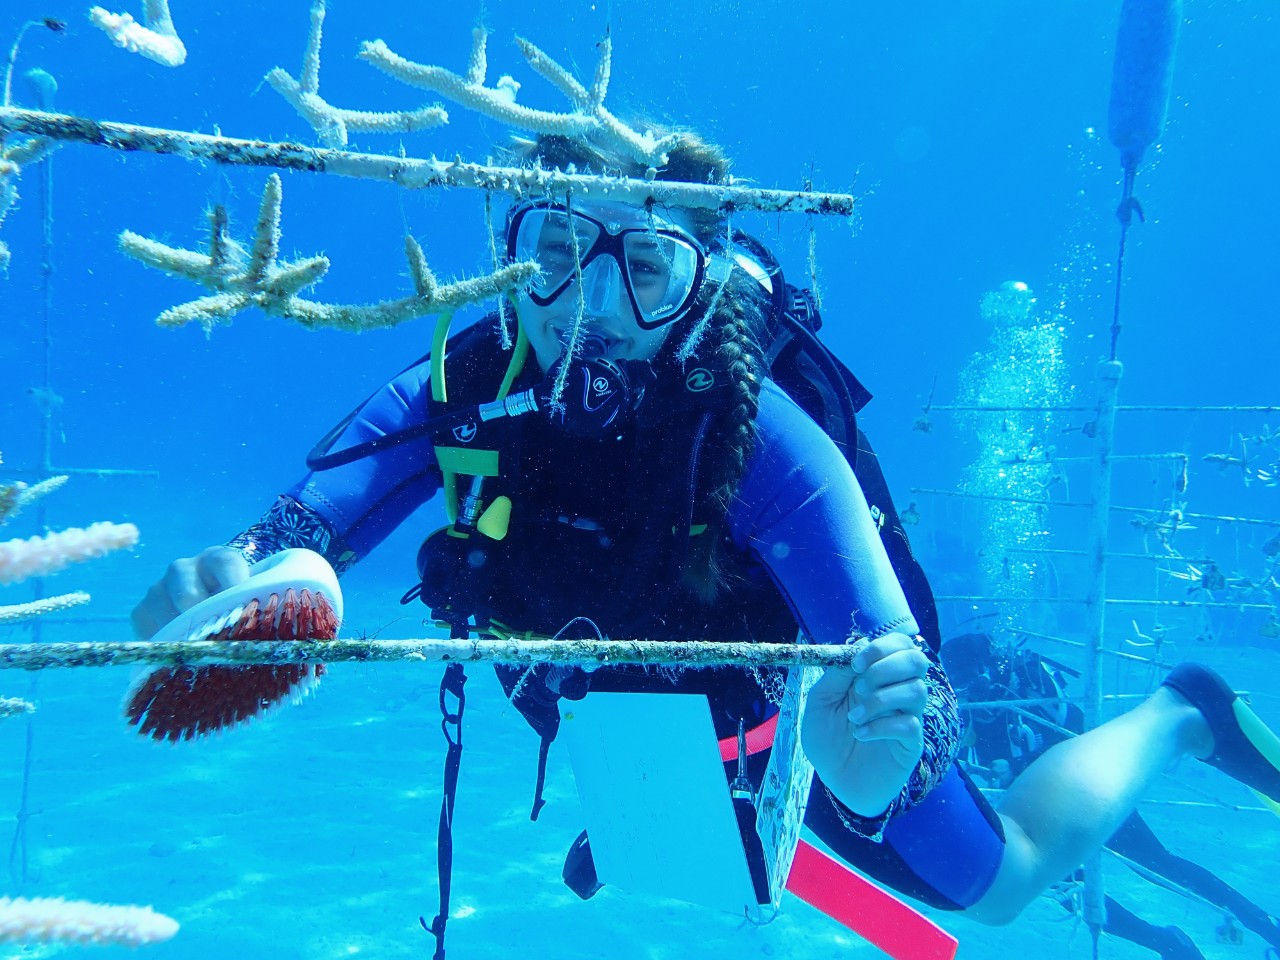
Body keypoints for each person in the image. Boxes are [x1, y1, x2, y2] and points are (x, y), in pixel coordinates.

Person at [130, 127, 1280, 947]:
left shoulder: (755, 433)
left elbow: (887, 651)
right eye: (547, 256)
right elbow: (308, 525)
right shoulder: (467, 375)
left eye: (640, 270)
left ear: (694, 284)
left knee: (996, 885)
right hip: (628, 714)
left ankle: (1177, 710)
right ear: (507, 252)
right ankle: (708, 816)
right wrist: (237, 572)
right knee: (685, 848)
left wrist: (881, 766)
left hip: (788, 722)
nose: (583, 311)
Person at [944, 633, 1280, 959]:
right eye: (959, 686)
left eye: (971, 680)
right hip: (1034, 813)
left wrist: (1014, 762)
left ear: (989, 668)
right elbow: (975, 759)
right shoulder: (974, 709)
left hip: (1088, 789)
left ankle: (1260, 922)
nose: (969, 691)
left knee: (1156, 864)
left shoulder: (1031, 683)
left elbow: (1073, 730)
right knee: (1068, 890)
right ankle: (1165, 942)